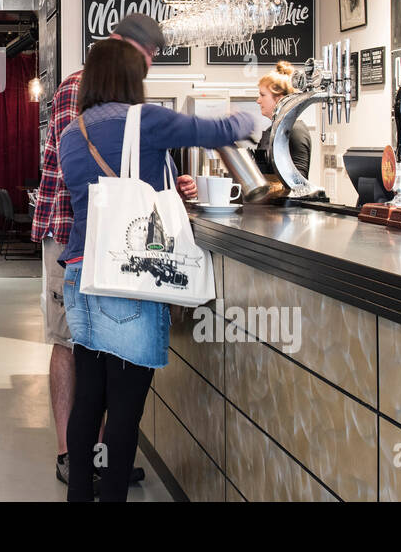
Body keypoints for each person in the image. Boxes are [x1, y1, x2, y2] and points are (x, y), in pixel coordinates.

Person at [58, 37, 262, 502]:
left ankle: (78, 497)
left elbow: (98, 196)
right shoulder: (142, 120)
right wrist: (258, 116)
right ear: (131, 79)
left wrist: (169, 180)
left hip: (80, 274)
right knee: (126, 409)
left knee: (89, 398)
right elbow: (215, 129)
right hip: (127, 278)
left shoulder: (74, 131)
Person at [31, 13, 197, 487]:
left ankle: (89, 463)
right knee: (88, 363)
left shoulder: (100, 109)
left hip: (87, 255)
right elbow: (97, 179)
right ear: (127, 51)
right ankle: (73, 455)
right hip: (80, 238)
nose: (147, 67)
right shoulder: (85, 95)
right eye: (146, 57)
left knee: (92, 376)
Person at [253, 61, 312, 184]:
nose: (258, 101)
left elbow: (298, 183)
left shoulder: (295, 131)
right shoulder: (272, 131)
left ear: (279, 98)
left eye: (262, 95)